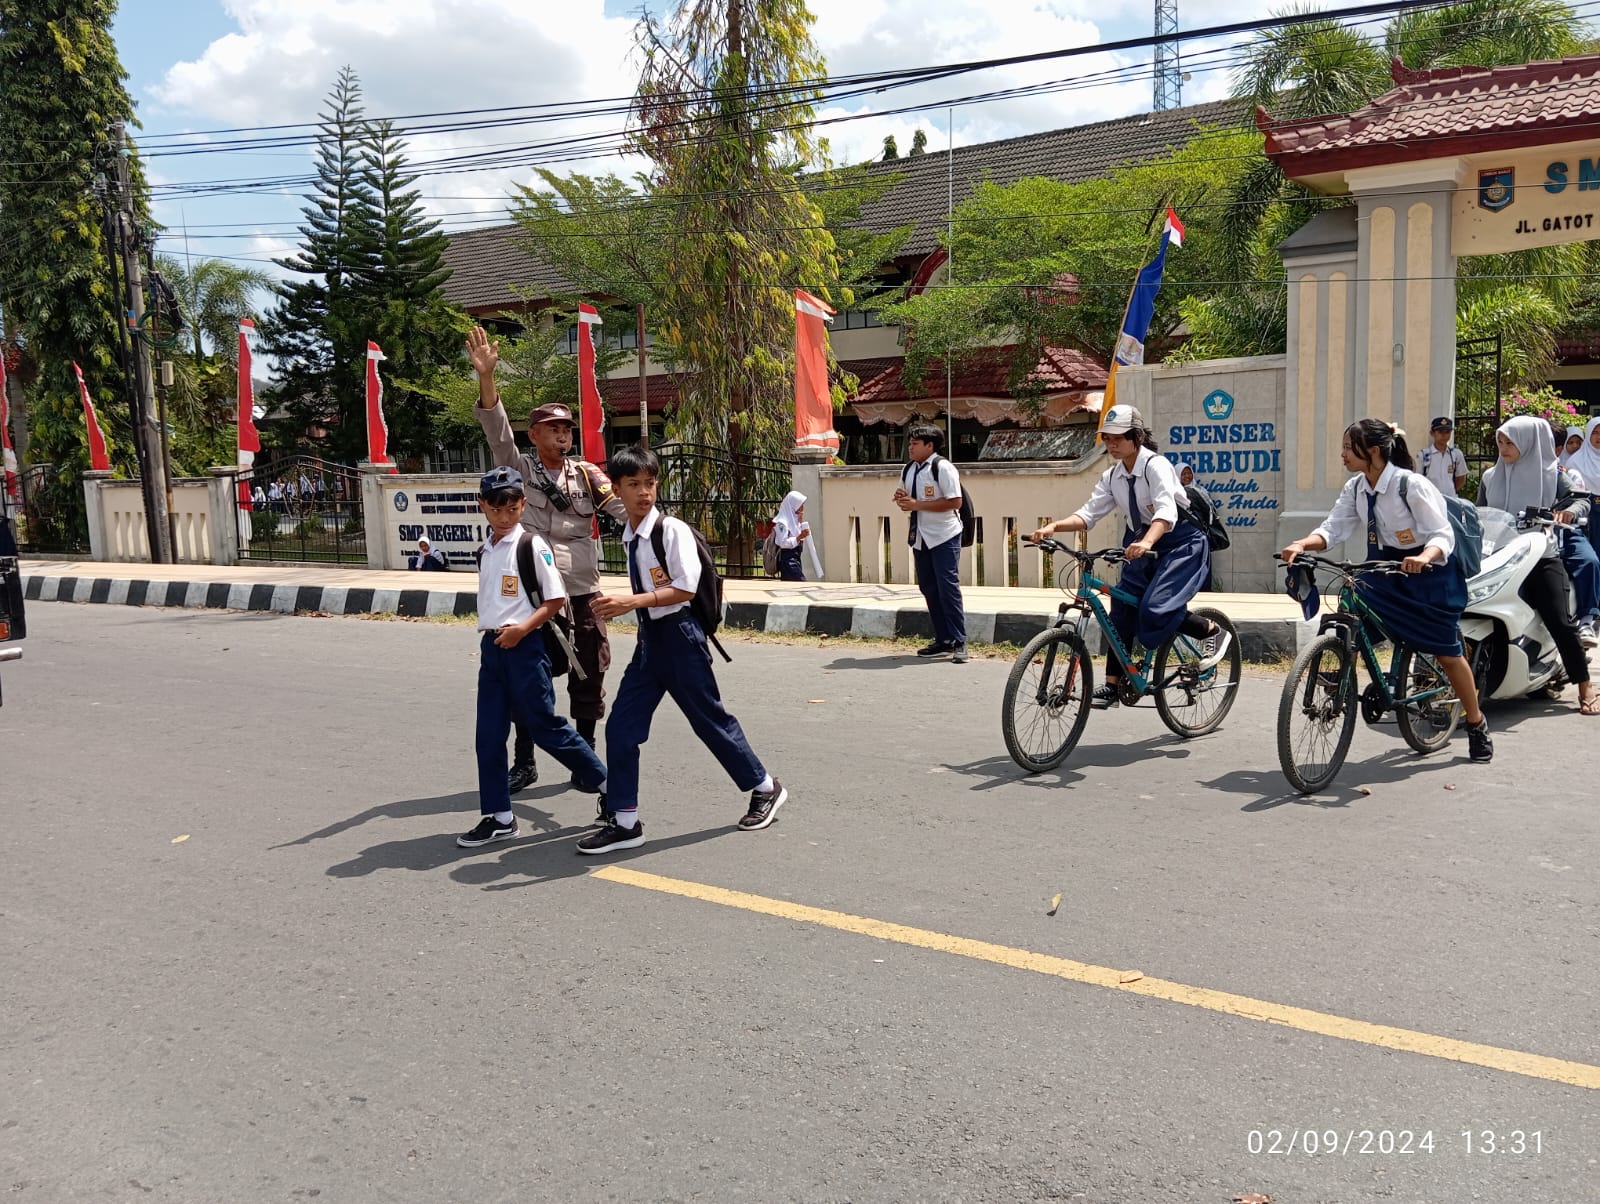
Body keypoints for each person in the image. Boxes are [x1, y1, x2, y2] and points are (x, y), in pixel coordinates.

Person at [579, 444, 787, 854]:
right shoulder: (631, 535)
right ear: (616, 490)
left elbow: (685, 588)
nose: (644, 492)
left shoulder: (669, 530)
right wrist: (628, 608)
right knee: (621, 727)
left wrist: (630, 602)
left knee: (709, 720)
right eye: (633, 484)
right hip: (650, 642)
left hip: (680, 637)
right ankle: (625, 821)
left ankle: (765, 787)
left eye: (650, 483)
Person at [467, 325, 630, 797]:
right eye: (553, 428)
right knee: (528, 684)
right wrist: (487, 377)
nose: (562, 435)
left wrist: (660, 528)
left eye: (567, 428)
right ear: (534, 434)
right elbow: (496, 430)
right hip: (533, 602)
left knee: (591, 673)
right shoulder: (519, 469)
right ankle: (524, 762)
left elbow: (621, 508)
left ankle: (585, 757)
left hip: (581, 592)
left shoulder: (588, 474)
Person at [1281, 418, 1493, 762]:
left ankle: (1475, 722)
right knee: (1350, 600)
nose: (1343, 455)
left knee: (1447, 655)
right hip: (1385, 568)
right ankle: (1345, 670)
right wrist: (1304, 543)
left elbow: (1442, 535)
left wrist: (1424, 556)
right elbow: (1334, 529)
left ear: (1374, 452)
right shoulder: (1356, 488)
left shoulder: (1411, 486)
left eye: (1349, 448)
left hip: (1430, 573)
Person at [1027, 405, 1231, 707]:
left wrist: (1147, 541)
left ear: (1136, 437)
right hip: (1142, 542)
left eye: (1118, 438)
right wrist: (1054, 526)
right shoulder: (1114, 476)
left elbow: (1166, 511)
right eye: (1107, 438)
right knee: (1121, 606)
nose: (1111, 444)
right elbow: (1089, 514)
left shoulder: (1155, 466)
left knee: (1155, 608)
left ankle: (1212, 630)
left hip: (1180, 542)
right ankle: (1113, 684)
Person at [457, 466, 609, 848]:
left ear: (522, 505)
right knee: (488, 736)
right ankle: (499, 817)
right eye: (496, 509)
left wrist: (521, 630)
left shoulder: (531, 545)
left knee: (545, 725)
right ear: (483, 507)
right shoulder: (486, 550)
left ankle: (611, 785)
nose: (504, 516)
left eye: (511, 508)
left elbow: (555, 599)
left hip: (525, 647)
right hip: (492, 650)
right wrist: (498, 637)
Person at [1478, 417, 1598, 715]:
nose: (1503, 448)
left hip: (1539, 554)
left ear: (1529, 443)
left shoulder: (1553, 475)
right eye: (1501, 442)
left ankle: (1585, 685)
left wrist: (1568, 512)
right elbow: (1479, 510)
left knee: (1559, 620)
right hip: (1496, 556)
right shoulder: (1491, 475)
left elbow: (1580, 501)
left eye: (1510, 443)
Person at [894, 423, 967, 663]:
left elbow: (955, 502)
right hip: (921, 536)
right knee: (928, 587)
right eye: (910, 443)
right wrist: (902, 499)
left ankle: (960, 641)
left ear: (930, 445)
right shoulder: (909, 469)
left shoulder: (942, 467)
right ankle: (943, 639)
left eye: (915, 443)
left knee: (948, 587)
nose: (910, 448)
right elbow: (907, 497)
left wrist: (917, 505)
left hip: (944, 534)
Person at [1546, 417, 1600, 648]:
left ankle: (1587, 618)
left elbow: (1579, 500)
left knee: (1589, 561)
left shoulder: (1562, 472)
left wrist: (1569, 511)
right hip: (1528, 534)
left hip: (1565, 527)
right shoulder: (1496, 473)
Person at [1419, 416, 1469, 497]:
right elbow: (1419, 480)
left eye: (1447, 432)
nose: (1444, 435)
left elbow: (1461, 478)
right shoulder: (1423, 455)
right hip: (1431, 500)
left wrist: (1450, 490)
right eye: (1440, 432)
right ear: (1432, 433)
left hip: (1451, 500)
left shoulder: (1456, 454)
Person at [769, 490, 811, 581]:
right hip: (788, 560)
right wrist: (799, 536)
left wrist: (800, 522)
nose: (801, 508)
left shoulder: (794, 520)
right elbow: (783, 543)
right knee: (801, 584)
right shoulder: (782, 523)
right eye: (799, 505)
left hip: (796, 558)